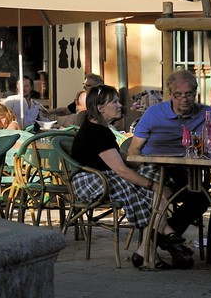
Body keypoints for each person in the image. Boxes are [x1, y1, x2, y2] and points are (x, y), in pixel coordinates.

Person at [66, 83, 177, 270]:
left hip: (103, 177)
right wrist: (153, 185)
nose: (120, 105)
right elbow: (121, 170)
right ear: (100, 108)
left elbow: (120, 160)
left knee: (151, 174)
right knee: (144, 186)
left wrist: (144, 163)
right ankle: (162, 230)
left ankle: (146, 251)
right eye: (115, 102)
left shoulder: (99, 128)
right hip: (91, 182)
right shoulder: (97, 132)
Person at [127, 68, 211, 264]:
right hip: (155, 169)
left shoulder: (207, 115)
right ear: (170, 94)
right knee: (160, 192)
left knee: (202, 200)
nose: (183, 99)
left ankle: (153, 244)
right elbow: (133, 151)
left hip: (187, 172)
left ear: (195, 93)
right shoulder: (153, 113)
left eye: (188, 94)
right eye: (178, 95)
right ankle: (171, 241)